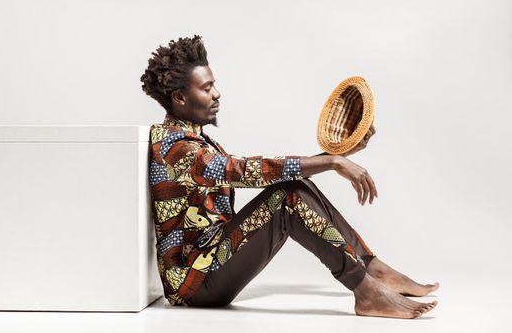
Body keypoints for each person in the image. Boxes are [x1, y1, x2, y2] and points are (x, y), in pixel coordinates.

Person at [141, 35, 439, 319]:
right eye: (206, 88)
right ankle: (366, 291)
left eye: (214, 85)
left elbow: (259, 173)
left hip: (211, 262)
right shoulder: (175, 147)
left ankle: (373, 270)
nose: (217, 93)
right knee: (287, 196)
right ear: (180, 97)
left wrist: (339, 155)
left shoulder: (191, 140)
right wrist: (333, 161)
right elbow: (243, 171)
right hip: (195, 283)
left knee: (294, 186)